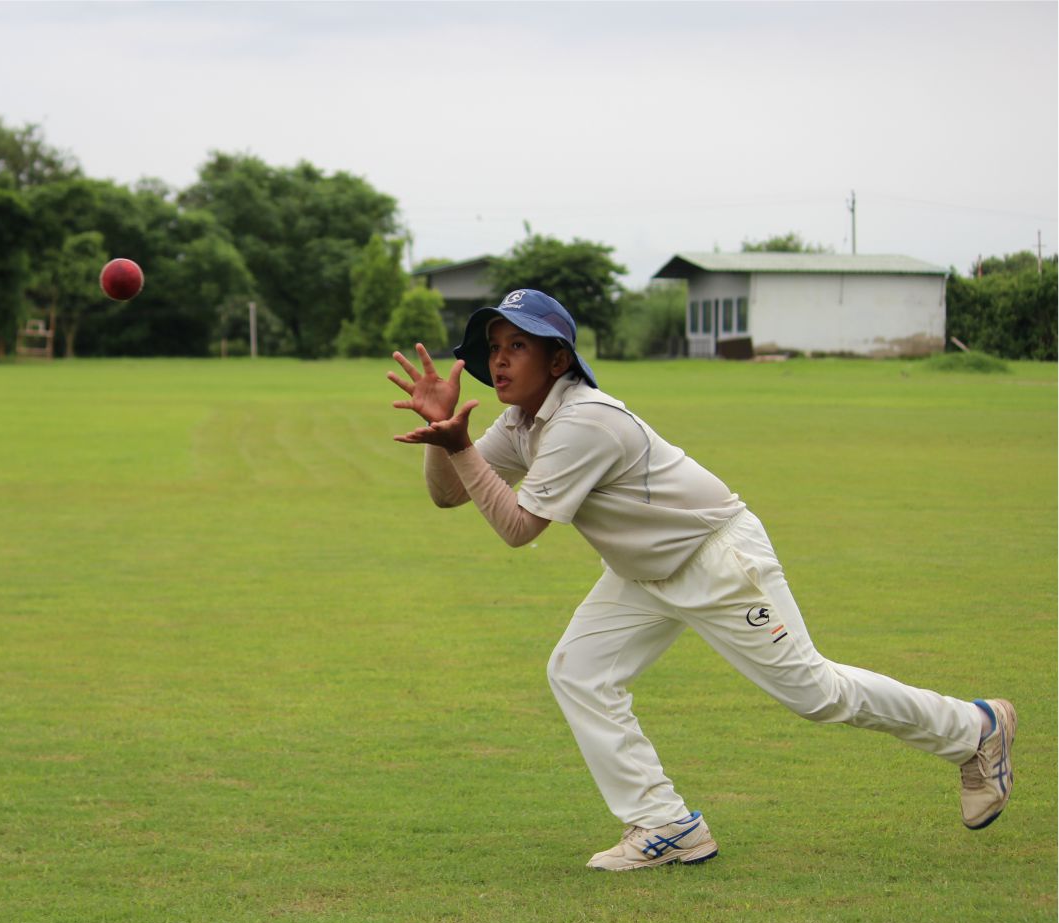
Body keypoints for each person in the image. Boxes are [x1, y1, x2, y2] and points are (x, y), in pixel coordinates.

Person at [386, 288, 1016, 872]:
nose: (499, 360)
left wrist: (460, 447)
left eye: (517, 345)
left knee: (814, 694)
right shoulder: (524, 422)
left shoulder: (582, 421)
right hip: (643, 571)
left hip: (715, 559)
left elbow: (519, 528)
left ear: (558, 360)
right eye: (494, 347)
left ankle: (974, 728)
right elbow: (449, 495)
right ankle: (665, 825)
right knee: (578, 672)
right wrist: (442, 435)